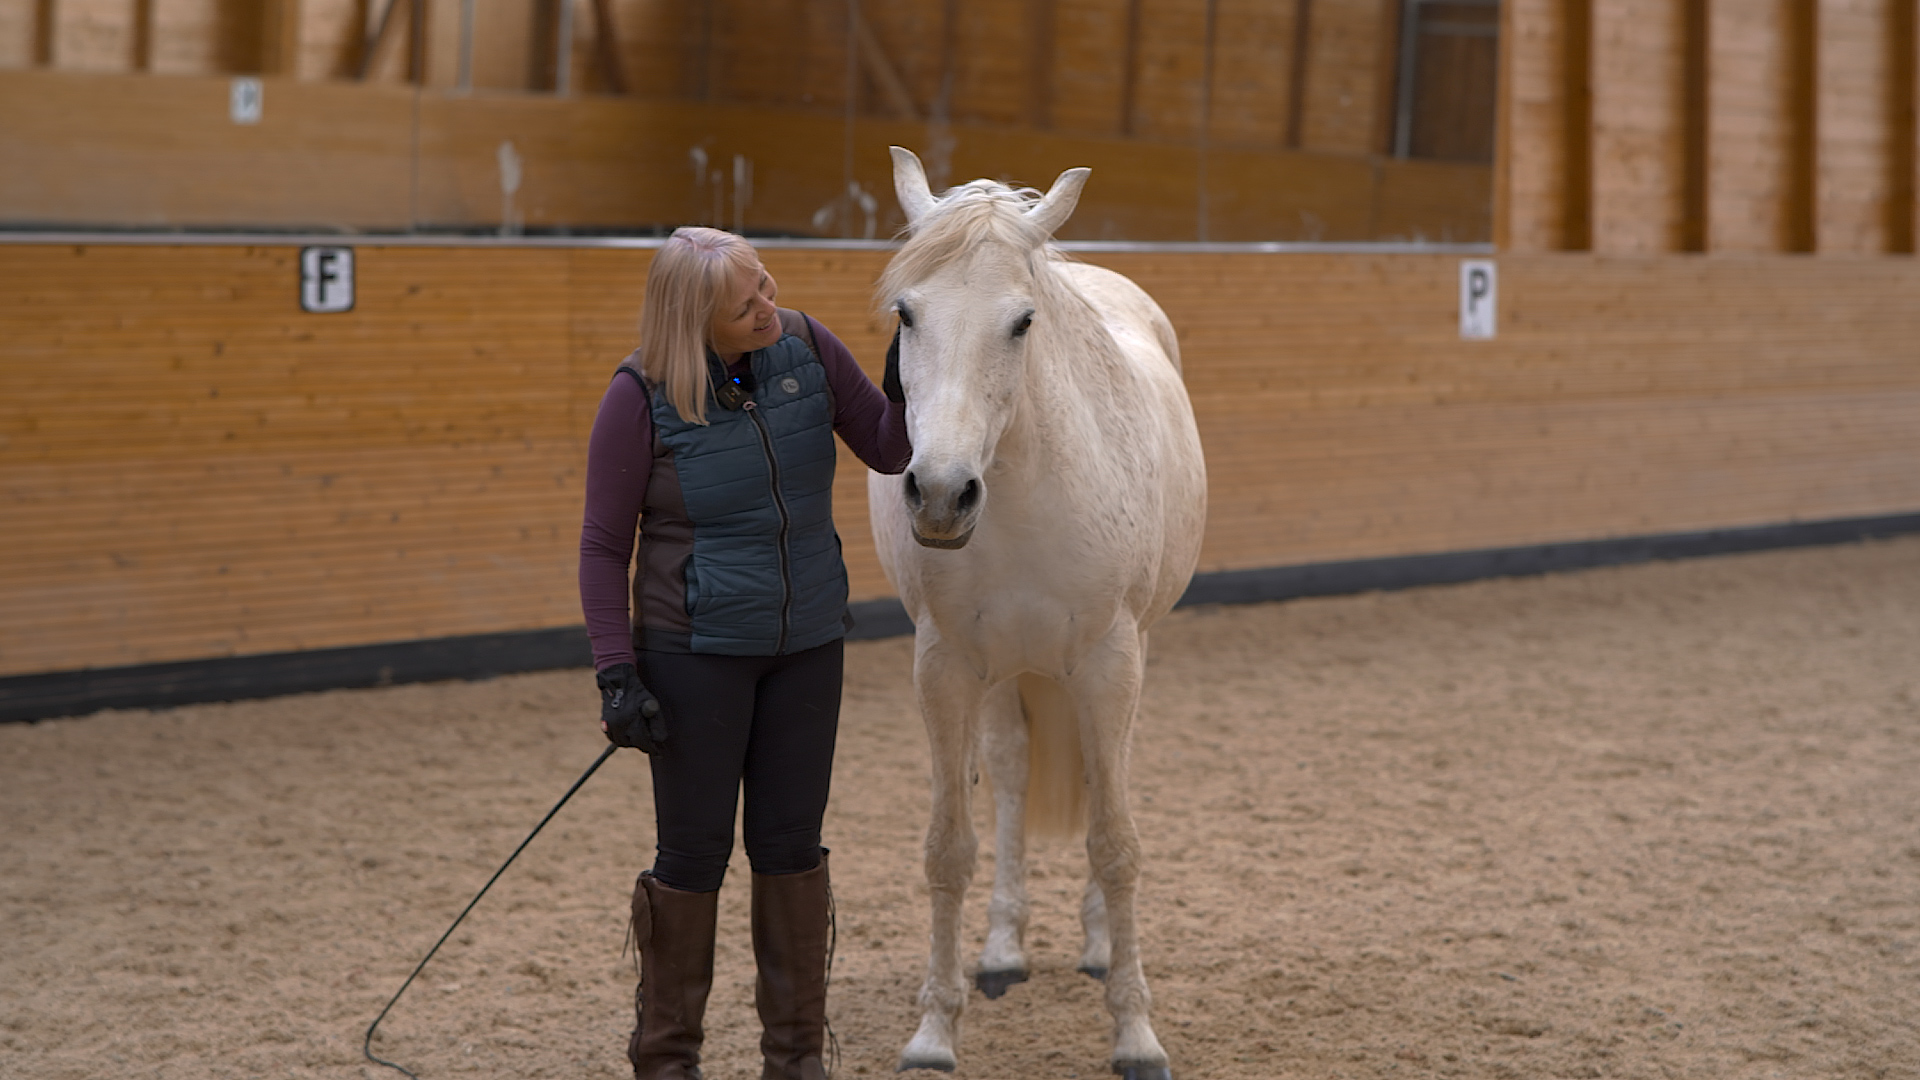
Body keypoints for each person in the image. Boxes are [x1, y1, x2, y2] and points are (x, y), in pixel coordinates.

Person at [578, 226, 910, 1080]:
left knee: (793, 848)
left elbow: (891, 446)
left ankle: (796, 1061)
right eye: (745, 303)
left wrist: (919, 368)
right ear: (696, 320)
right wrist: (618, 674)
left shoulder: (805, 345)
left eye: (767, 285)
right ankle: (666, 1061)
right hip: (694, 652)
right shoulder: (639, 395)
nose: (769, 307)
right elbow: (603, 547)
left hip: (807, 644)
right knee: (692, 858)